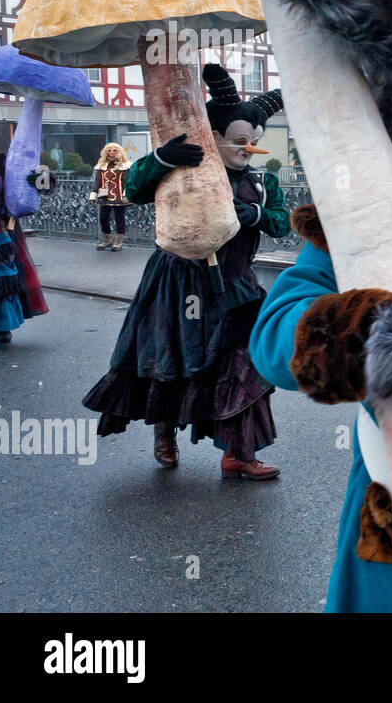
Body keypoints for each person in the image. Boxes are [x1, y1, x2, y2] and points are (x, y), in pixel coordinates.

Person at [82, 64, 289, 478]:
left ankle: (238, 454)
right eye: (238, 141)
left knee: (245, 365)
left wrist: (257, 215)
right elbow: (133, 189)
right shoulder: (185, 165)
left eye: (254, 141)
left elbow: (283, 222)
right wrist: (161, 158)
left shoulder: (263, 181)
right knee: (171, 357)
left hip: (235, 286)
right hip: (177, 281)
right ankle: (165, 434)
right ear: (212, 136)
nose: (247, 148)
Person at [0, 152, 49, 346]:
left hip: (1, 230)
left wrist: (39, 179)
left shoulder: (4, 162)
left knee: (1, 278)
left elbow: (38, 185)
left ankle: (2, 326)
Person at [89, 142, 131, 250]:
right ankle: (107, 240)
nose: (111, 152)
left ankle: (118, 242)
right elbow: (97, 181)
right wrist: (93, 194)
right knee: (103, 218)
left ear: (119, 152)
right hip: (104, 196)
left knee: (119, 218)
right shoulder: (101, 165)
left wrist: (126, 194)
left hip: (119, 195)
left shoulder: (125, 165)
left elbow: (128, 181)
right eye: (109, 150)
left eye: (114, 150)